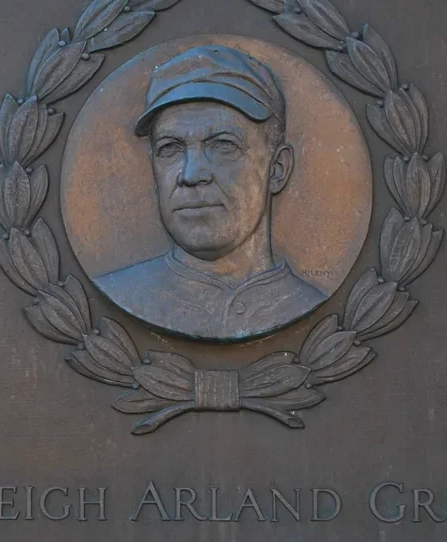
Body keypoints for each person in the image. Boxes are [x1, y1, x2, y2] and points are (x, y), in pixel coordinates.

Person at [92, 45, 327, 342]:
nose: (191, 175)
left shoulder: (310, 303)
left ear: (277, 168)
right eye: (170, 148)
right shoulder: (118, 293)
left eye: (223, 145)